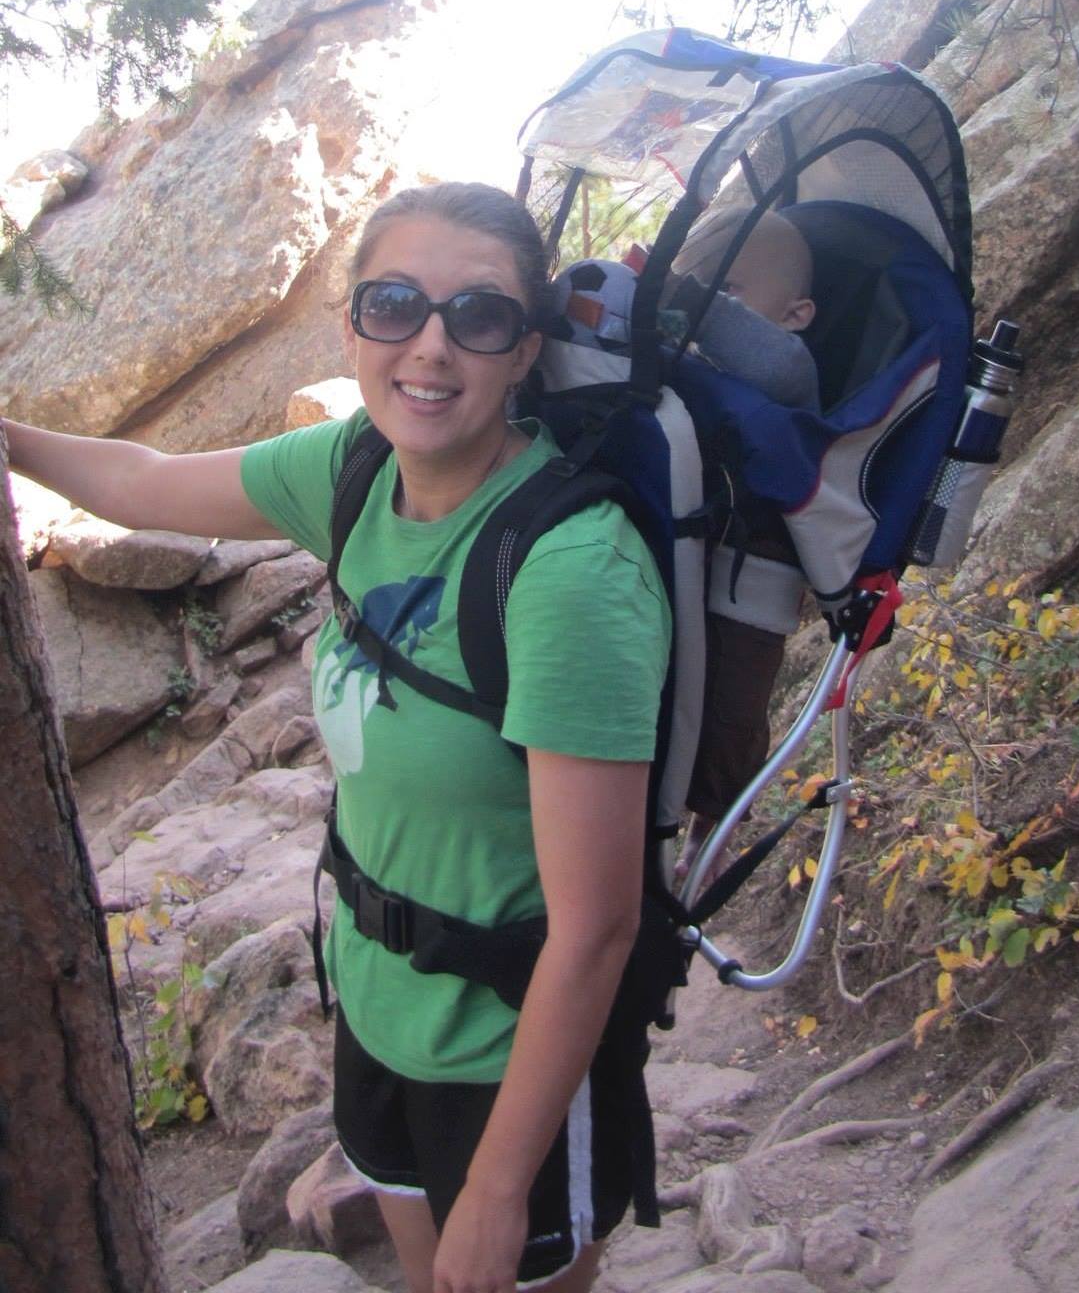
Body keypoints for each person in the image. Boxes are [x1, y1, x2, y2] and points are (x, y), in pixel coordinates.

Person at [4, 181, 671, 1293]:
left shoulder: (570, 571)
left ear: (525, 350)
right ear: (353, 323)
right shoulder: (355, 467)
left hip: (509, 1060)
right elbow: (147, 483)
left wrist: (500, 1186)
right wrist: (10, 440)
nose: (431, 346)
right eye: (394, 303)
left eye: (480, 316)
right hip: (375, 1006)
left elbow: (598, 927)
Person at [550, 207, 819, 886]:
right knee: (649, 692)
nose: (708, 305)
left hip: (746, 579)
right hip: (666, 542)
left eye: (730, 291)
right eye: (702, 286)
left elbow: (781, 368)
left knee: (730, 717)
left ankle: (711, 833)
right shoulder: (679, 358)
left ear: (796, 313)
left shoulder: (788, 368)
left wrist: (687, 294)